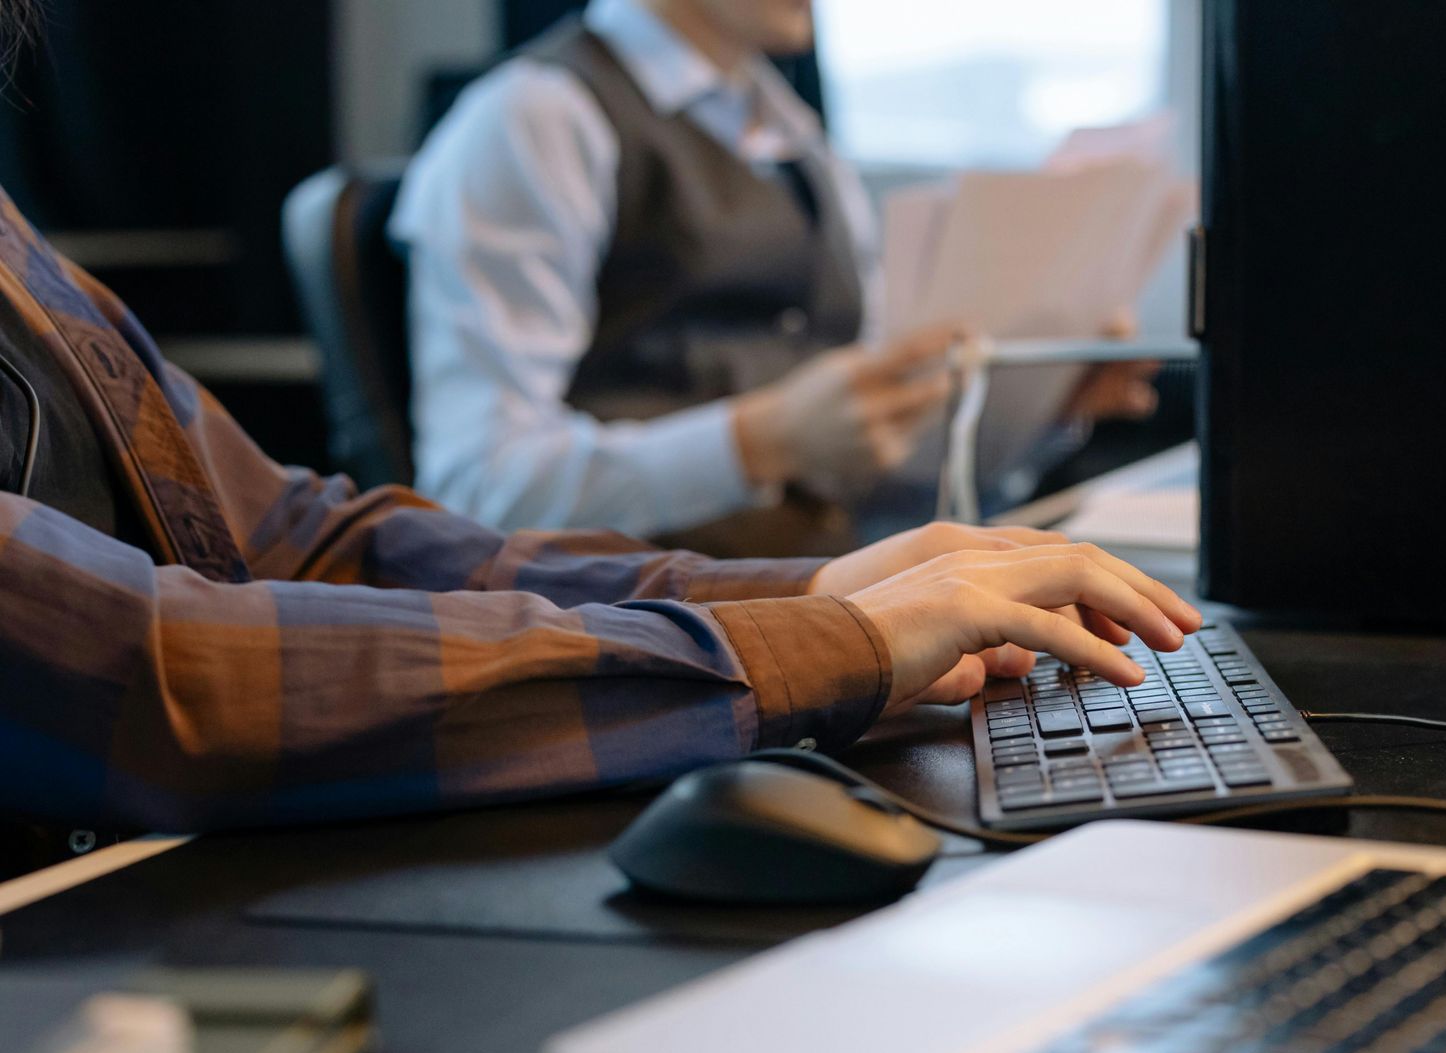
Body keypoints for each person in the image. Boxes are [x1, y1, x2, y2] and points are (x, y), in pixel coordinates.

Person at [0, 174, 1198, 864]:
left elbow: (294, 540)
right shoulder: (533, 130)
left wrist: (815, 596)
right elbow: (144, 673)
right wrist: (812, 634)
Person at [392, 0, 1156, 555]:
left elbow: (877, 477)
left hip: (832, 594)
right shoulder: (534, 120)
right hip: (655, 634)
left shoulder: (798, 139)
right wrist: (764, 441)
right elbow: (476, 487)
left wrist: (1046, 413)